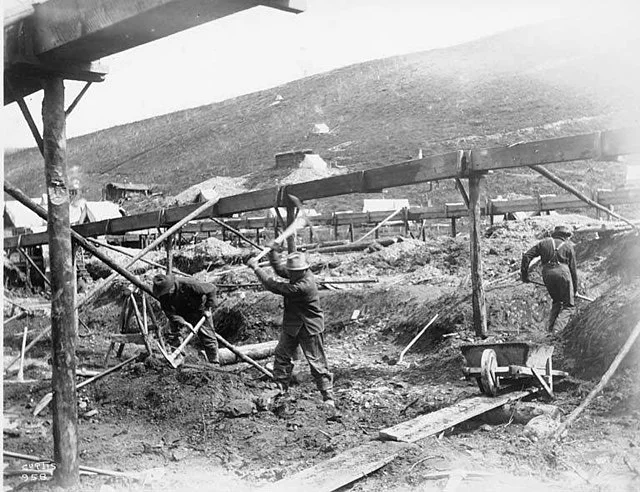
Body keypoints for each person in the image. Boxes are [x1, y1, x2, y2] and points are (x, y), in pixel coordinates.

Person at [247, 244, 335, 407]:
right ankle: (280, 388)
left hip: (309, 325)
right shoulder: (299, 274)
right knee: (281, 355)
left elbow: (275, 286)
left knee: (316, 362)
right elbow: (281, 271)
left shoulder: (303, 285)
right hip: (293, 325)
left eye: (293, 272)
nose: (291, 274)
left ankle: (327, 395)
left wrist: (256, 268)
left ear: (302, 270)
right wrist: (272, 254)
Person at [521, 225, 578, 333]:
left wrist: (524, 275)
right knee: (569, 306)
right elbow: (573, 270)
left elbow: (526, 256)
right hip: (563, 274)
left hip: (547, 274)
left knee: (557, 301)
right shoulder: (568, 246)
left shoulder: (544, 243)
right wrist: (575, 289)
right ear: (565, 236)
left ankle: (549, 330)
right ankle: (557, 331)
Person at [152, 273, 220, 364]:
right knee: (171, 333)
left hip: (199, 310)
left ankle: (214, 362)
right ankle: (178, 358)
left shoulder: (190, 284)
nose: (163, 295)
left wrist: (208, 308)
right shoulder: (164, 296)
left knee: (207, 335)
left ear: (171, 288)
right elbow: (170, 314)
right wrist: (184, 323)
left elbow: (211, 288)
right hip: (181, 312)